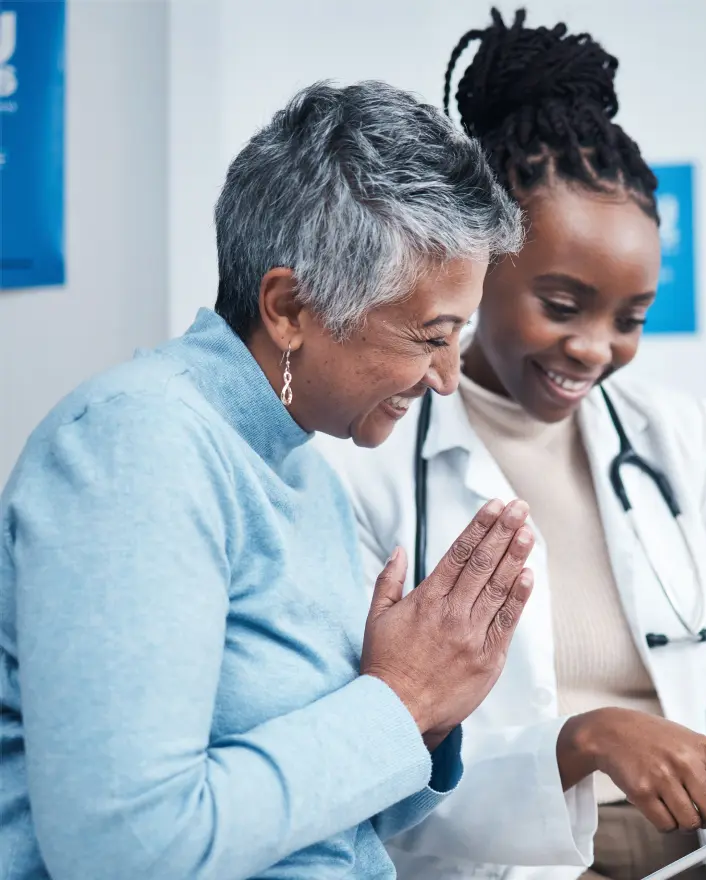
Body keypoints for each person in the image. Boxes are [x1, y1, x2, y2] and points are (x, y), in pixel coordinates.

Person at [0, 81, 535, 880]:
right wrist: (400, 702)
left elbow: (326, 825)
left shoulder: (305, 470)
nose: (449, 378)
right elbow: (126, 850)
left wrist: (429, 710)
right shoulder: (134, 449)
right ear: (289, 308)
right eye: (431, 336)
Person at [316, 13, 706, 880]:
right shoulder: (364, 462)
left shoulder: (685, 441)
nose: (595, 349)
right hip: (511, 861)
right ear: (479, 263)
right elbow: (370, 783)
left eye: (631, 319)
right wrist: (581, 742)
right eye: (564, 304)